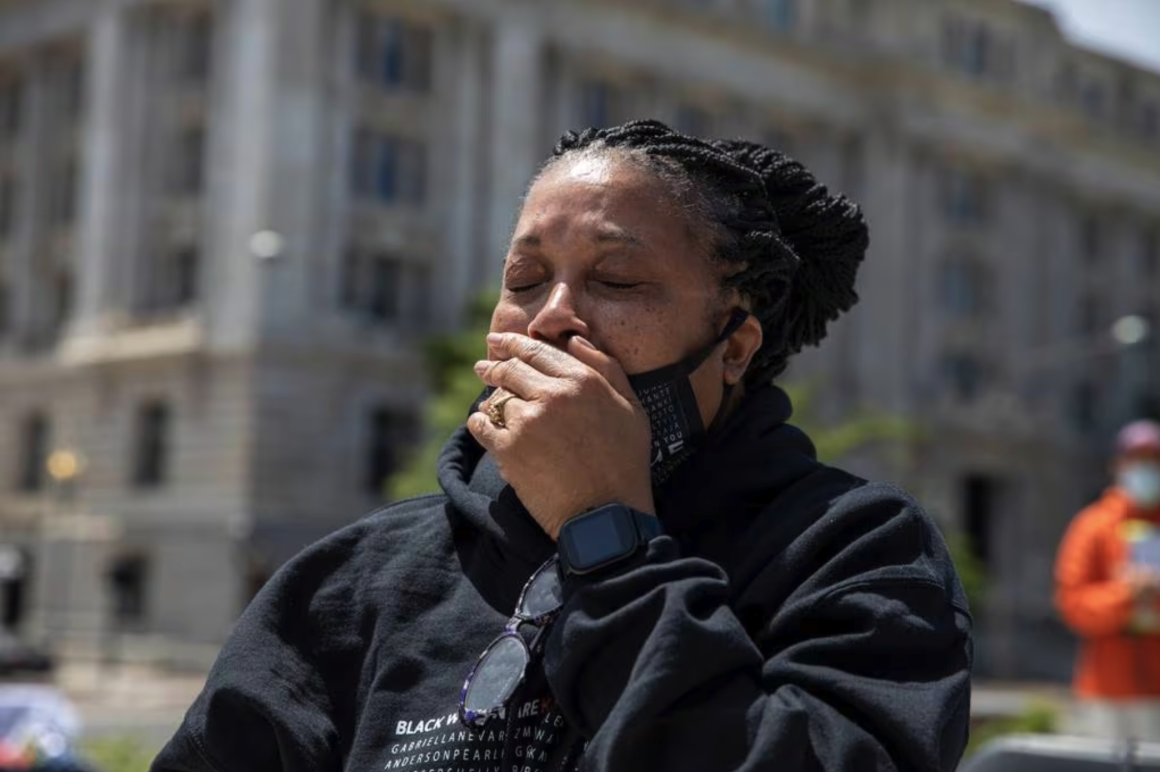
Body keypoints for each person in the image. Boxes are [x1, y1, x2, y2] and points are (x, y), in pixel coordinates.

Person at [151, 120, 972, 772]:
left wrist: (605, 531)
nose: (550, 317)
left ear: (734, 346)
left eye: (617, 282)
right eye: (524, 280)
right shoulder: (360, 577)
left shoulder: (855, 553)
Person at [1056, 419, 1160, 741]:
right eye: (1137, 460)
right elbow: (1073, 604)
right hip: (1106, 692)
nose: (1146, 469)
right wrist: (1127, 594)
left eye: (1153, 461)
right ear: (1118, 465)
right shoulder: (1093, 525)